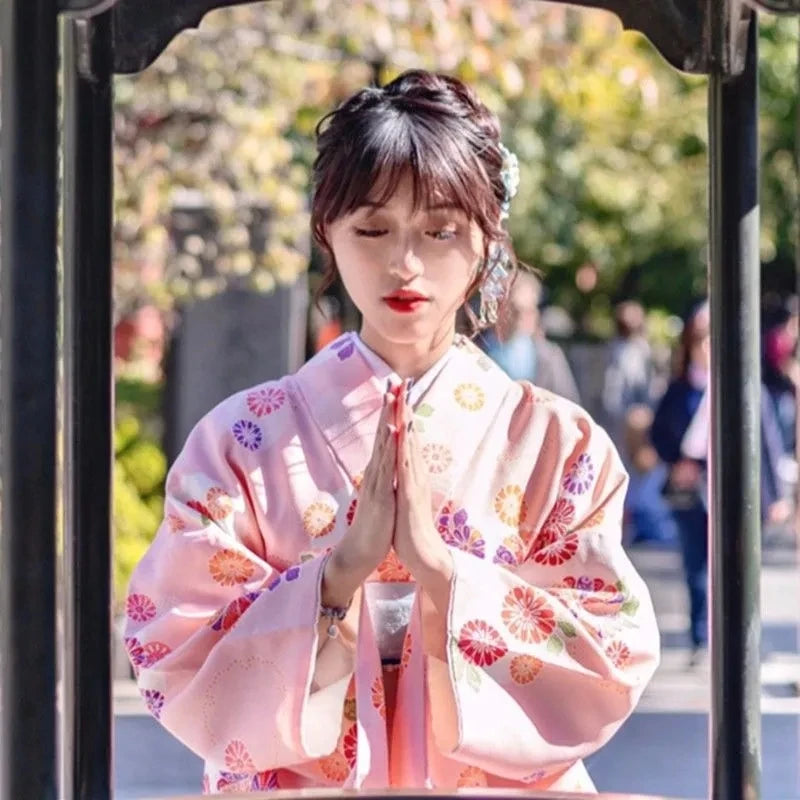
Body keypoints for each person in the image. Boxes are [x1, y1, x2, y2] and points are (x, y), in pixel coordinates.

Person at [124, 70, 659, 795]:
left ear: (486, 241)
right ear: (328, 234)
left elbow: (611, 645)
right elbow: (172, 638)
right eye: (372, 229)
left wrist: (444, 574)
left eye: (440, 231)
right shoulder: (239, 442)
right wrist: (336, 578)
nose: (405, 263)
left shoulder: (558, 447)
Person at [651, 301, 789, 666]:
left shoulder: (743, 386)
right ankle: (702, 640)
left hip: (734, 489)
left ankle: (743, 641)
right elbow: (659, 434)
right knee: (697, 567)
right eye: (699, 339)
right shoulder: (679, 389)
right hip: (691, 493)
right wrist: (676, 460)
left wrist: (775, 495)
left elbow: (767, 442)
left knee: (739, 568)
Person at [480, 271, 581, 403]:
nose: (521, 317)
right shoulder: (473, 351)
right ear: (498, 306)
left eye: (529, 309)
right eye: (515, 309)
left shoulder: (548, 356)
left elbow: (568, 407)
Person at [601, 300, 655, 456]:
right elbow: (612, 388)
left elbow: (648, 383)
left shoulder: (644, 349)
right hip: (619, 416)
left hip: (641, 413)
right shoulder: (614, 349)